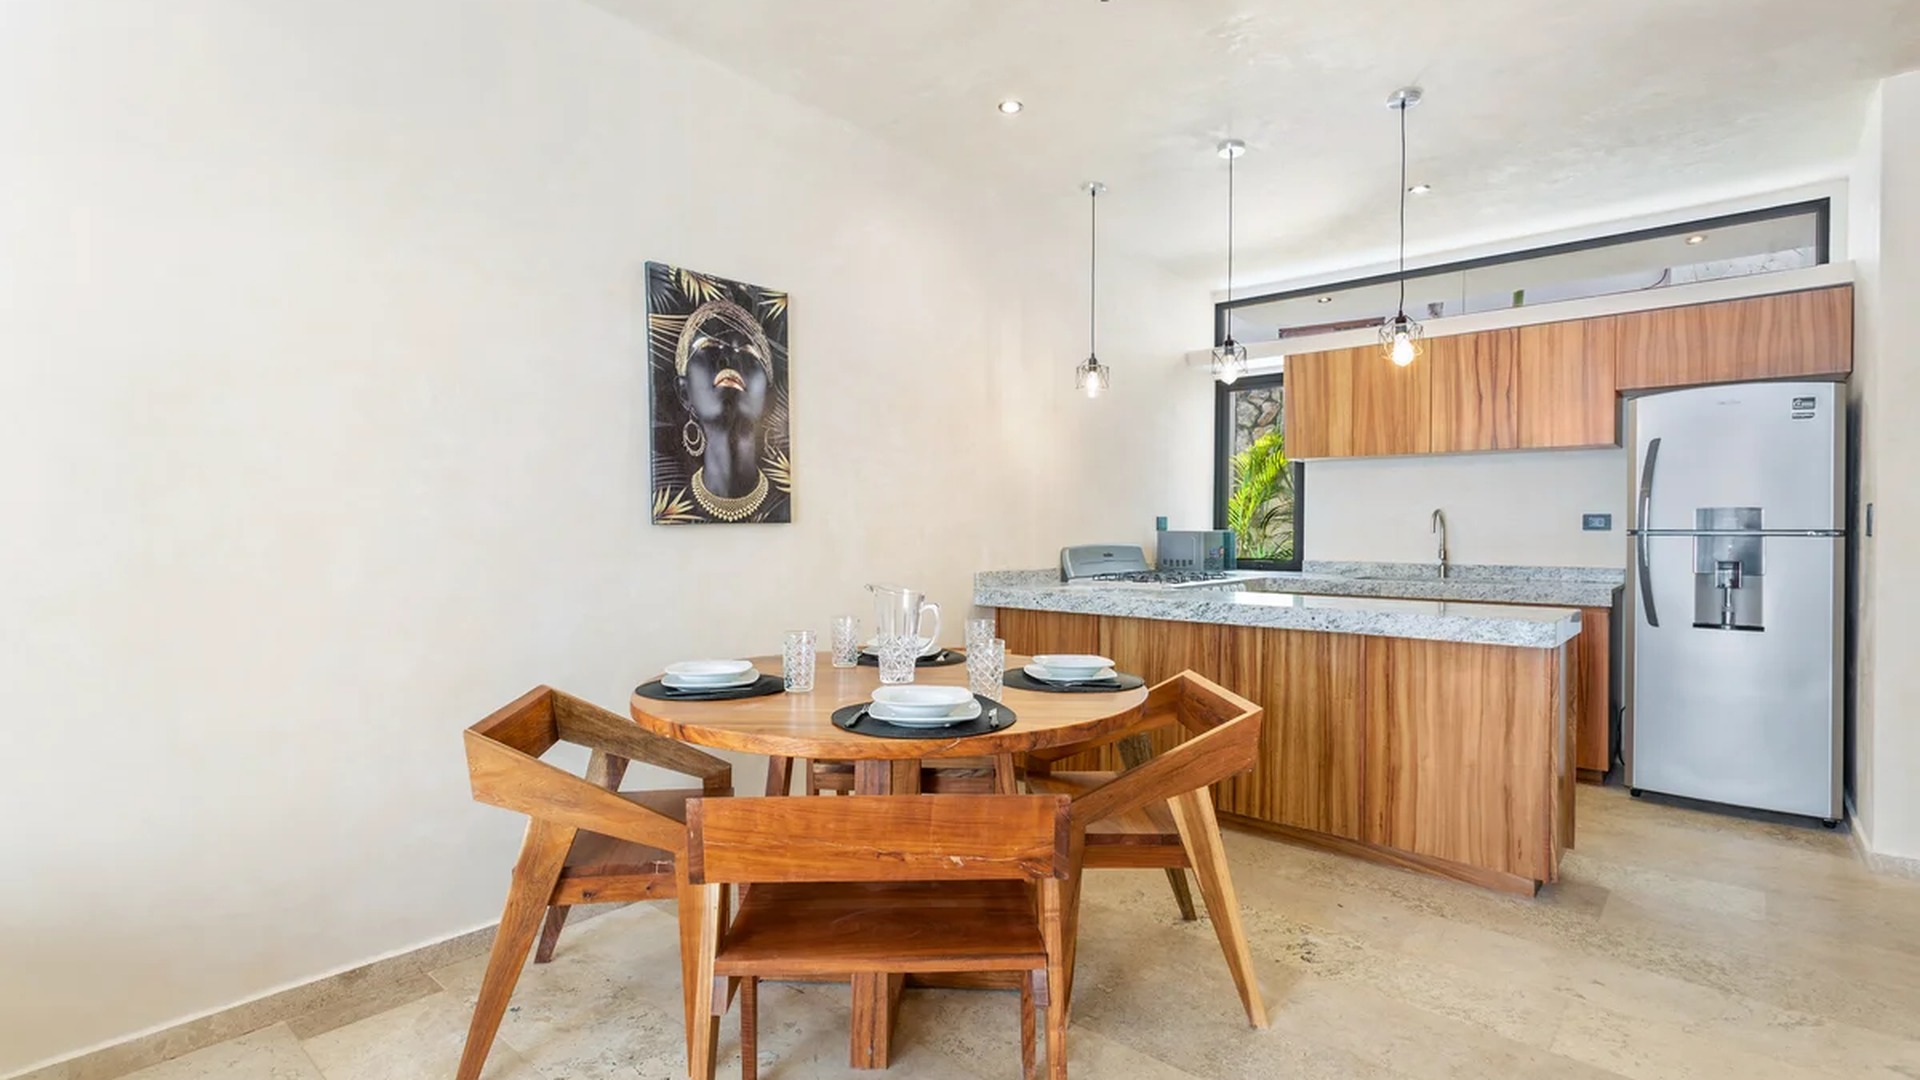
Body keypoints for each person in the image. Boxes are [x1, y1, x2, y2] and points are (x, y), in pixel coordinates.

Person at [674, 298, 776, 522]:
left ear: (769, 399)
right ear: (684, 392)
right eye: (708, 347)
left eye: (749, 354)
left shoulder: (784, 504)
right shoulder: (671, 505)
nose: (728, 359)